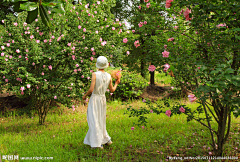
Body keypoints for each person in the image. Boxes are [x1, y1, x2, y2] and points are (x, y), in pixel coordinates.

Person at [82, 56, 120, 149]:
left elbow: (91, 89)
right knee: (101, 120)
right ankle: (106, 139)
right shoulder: (109, 76)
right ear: (106, 65)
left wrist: (84, 96)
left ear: (97, 64)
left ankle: (97, 144)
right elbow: (112, 90)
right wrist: (117, 83)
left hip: (95, 99)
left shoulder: (94, 74)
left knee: (94, 120)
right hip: (103, 99)